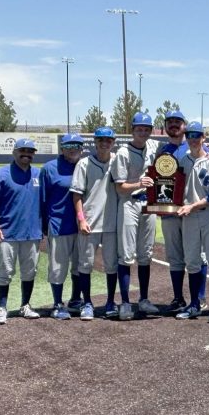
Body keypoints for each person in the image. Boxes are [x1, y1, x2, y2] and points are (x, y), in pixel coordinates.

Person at [0, 139, 42, 325]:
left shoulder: (39, 174)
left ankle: (25, 305)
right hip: (7, 232)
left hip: (32, 232)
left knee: (30, 271)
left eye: (30, 151)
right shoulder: (0, 174)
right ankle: (1, 308)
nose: (26, 153)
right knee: (5, 271)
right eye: (22, 150)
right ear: (14, 152)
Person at [111, 112, 161, 316]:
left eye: (146, 129)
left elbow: (178, 145)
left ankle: (144, 300)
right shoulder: (123, 153)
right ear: (132, 130)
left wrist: (207, 148)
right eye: (139, 129)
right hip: (129, 203)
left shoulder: (153, 146)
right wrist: (139, 183)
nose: (143, 132)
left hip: (148, 204)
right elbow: (119, 188)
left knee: (146, 254)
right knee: (126, 255)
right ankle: (124, 302)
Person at [157, 110, 207, 313]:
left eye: (177, 121)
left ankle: (200, 298)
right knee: (174, 257)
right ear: (165, 126)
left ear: (184, 126)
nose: (174, 125)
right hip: (169, 211)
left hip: (191, 211)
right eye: (170, 122)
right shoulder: (162, 150)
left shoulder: (196, 145)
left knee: (198, 255)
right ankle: (178, 298)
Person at [174, 123, 209, 321]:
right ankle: (194, 303)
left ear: (204, 137)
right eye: (190, 136)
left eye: (197, 135)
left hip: (208, 214)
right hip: (188, 216)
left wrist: (191, 206)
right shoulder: (182, 161)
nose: (193, 139)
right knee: (192, 261)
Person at [71, 127, 121, 320]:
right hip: (89, 224)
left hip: (112, 224)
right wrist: (81, 219)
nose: (104, 143)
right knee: (85, 265)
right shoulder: (84, 163)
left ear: (113, 142)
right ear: (95, 141)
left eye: (108, 140)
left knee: (112, 266)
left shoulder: (118, 160)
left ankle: (110, 302)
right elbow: (77, 195)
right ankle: (87, 303)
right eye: (101, 140)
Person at [41, 133, 84, 320]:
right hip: (59, 224)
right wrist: (44, 225)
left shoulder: (85, 165)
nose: (73, 149)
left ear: (82, 148)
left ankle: (75, 300)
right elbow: (42, 199)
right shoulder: (50, 168)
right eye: (68, 146)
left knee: (80, 266)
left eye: (76, 146)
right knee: (58, 268)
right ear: (62, 148)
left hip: (83, 226)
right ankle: (58, 304)